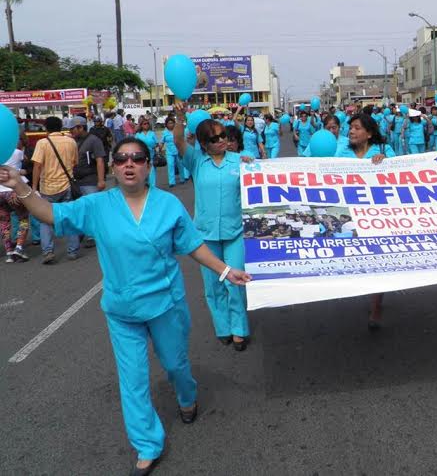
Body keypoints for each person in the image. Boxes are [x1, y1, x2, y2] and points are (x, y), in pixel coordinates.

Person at [0, 137, 251, 475]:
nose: (129, 164)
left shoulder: (169, 205)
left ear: (149, 165)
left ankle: (186, 395)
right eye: (120, 159)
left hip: (166, 305)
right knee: (132, 380)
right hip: (122, 310)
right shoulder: (98, 206)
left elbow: (193, 245)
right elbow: (51, 213)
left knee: (176, 364)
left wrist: (224, 270)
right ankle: (147, 444)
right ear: (114, 167)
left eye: (137, 158)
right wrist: (19, 184)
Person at [174, 105, 251, 351]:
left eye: (224, 136)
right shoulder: (196, 162)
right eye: (215, 138)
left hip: (235, 232)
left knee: (235, 281)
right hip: (205, 236)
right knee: (214, 285)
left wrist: (253, 165)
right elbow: (178, 141)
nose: (222, 141)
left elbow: (264, 181)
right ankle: (223, 327)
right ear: (204, 144)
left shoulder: (240, 160)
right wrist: (179, 118)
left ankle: (239, 329)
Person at [336, 113, 395, 328]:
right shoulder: (342, 153)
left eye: (357, 128)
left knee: (377, 260)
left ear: (369, 134)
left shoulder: (383, 151)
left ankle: (376, 305)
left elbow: (399, 174)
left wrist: (385, 163)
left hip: (377, 215)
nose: (351, 131)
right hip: (351, 214)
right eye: (350, 127)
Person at [31, 116, 80, 264]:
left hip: (47, 187)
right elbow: (74, 162)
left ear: (46, 128)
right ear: (61, 127)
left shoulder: (42, 143)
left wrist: (34, 186)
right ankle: (72, 250)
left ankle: (48, 251)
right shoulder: (71, 142)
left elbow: (37, 166)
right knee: (69, 217)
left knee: (45, 220)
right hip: (66, 185)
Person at [70, 116, 107, 248]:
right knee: (80, 208)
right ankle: (84, 231)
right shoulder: (72, 141)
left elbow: (100, 160)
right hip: (76, 181)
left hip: (90, 179)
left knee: (92, 207)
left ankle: (93, 234)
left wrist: (101, 180)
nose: (71, 131)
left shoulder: (94, 141)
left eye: (73, 128)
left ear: (81, 127)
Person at [1, 139, 29, 262]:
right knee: (23, 218)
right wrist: (21, 171)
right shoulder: (18, 152)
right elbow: (26, 162)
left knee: (4, 222)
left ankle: (9, 252)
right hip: (14, 191)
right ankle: (19, 248)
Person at [161, 118, 189, 188]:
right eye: (169, 123)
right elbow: (162, 142)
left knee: (180, 165)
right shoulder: (165, 132)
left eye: (172, 123)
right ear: (166, 124)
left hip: (178, 151)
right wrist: (159, 149)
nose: (171, 124)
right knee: (170, 165)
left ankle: (182, 178)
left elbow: (183, 140)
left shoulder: (177, 131)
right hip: (169, 152)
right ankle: (171, 182)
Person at [135, 118, 160, 187]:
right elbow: (135, 145)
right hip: (141, 156)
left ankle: (152, 186)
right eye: (144, 124)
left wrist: (157, 149)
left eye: (147, 123)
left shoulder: (152, 133)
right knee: (142, 171)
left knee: (152, 172)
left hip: (151, 154)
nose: (146, 125)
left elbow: (157, 143)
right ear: (141, 125)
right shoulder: (138, 134)